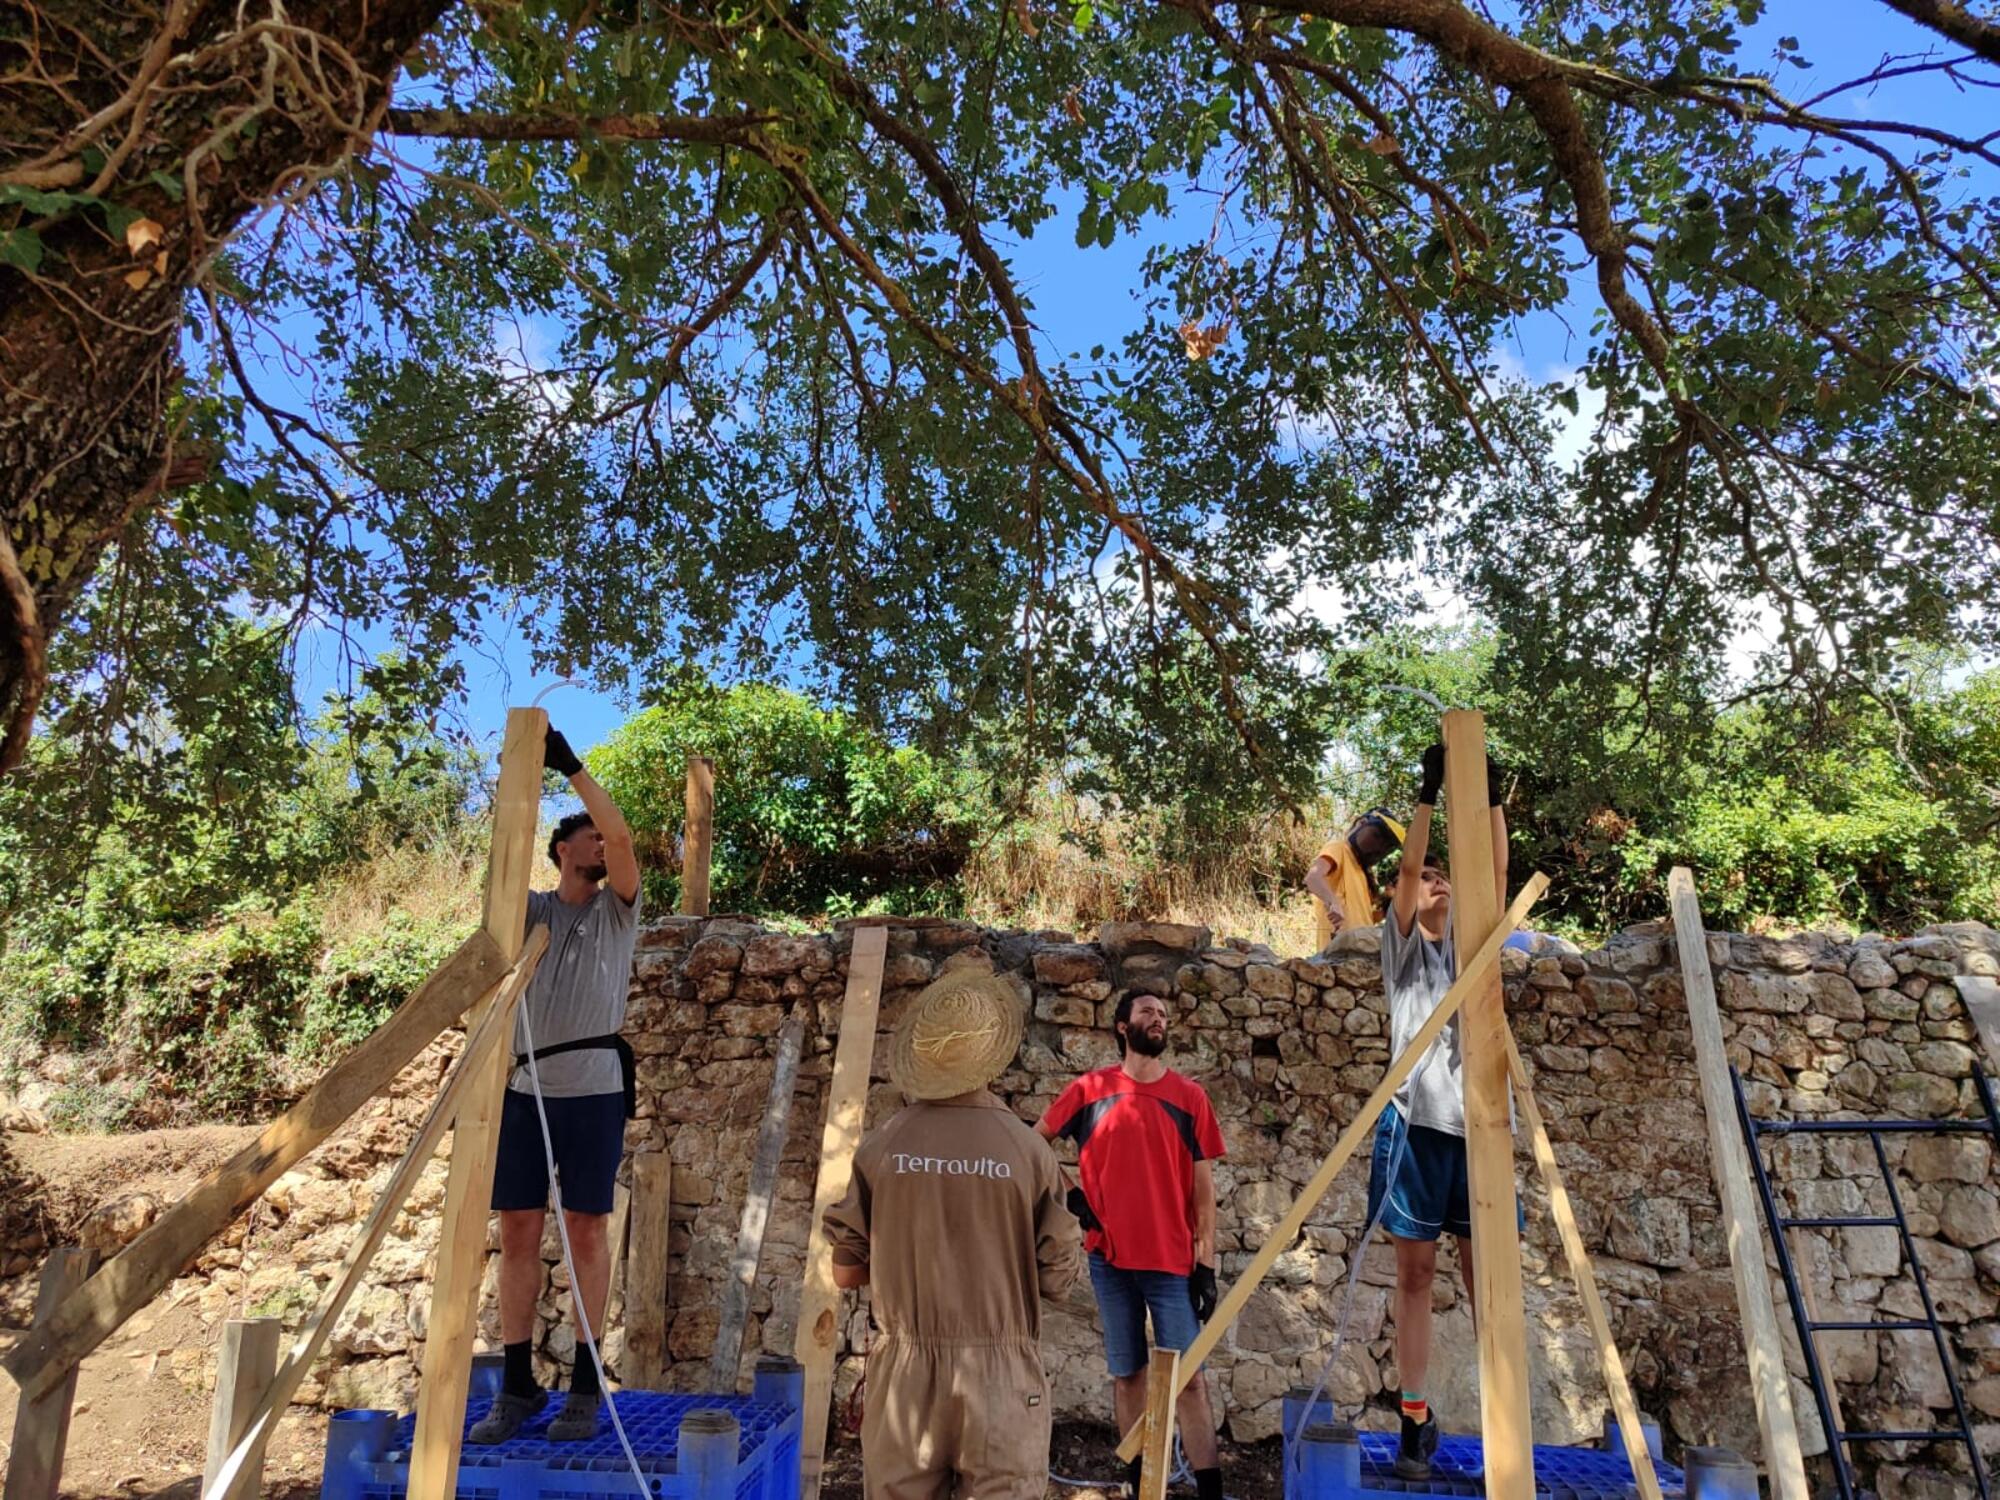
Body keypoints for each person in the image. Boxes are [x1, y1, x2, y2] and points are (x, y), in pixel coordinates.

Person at [823, 971, 1082, 1500]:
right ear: (992, 1054)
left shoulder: (882, 1146)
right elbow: (1058, 1280)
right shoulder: (1028, 1151)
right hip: (1001, 1377)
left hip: (904, 1380)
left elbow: (845, 1272)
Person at [470, 723, 642, 1445]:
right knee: (517, 1230)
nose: (602, 845)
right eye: (588, 839)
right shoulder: (533, 910)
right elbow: (498, 879)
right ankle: (516, 1385)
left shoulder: (618, 909)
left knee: (586, 1231)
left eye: (603, 839)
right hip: (525, 1090)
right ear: (562, 851)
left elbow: (625, 840)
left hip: (595, 1089)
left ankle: (583, 1380)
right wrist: (522, 780)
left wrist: (568, 765)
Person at [1368, 743, 1507, 1480]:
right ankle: (1415, 1420)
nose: (1438, 884)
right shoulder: (1402, 956)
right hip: (1415, 1130)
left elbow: (1500, 874)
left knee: (1492, 1282)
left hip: (1480, 1129)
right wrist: (1427, 795)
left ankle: (1503, 1427)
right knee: (1416, 1276)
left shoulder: (1477, 946)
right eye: (1427, 880)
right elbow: (1404, 871)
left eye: (1447, 877)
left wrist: (1491, 797)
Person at [1036, 984, 1227, 1500]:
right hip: (1110, 1262)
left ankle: (1210, 1488)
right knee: (1127, 1374)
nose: (1159, 1018)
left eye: (1164, 1013)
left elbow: (1203, 1194)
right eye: (1148, 1011)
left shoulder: (1190, 1098)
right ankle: (1138, 1480)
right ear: (1122, 1026)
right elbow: (1031, 1147)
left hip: (1172, 1265)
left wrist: (1205, 1264)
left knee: (1190, 1379)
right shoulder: (1089, 1091)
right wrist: (1072, 1196)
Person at [1305, 808, 1405, 947]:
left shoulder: (1364, 873)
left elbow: (1367, 918)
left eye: (1386, 845)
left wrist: (1389, 906)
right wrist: (1333, 902)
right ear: (1361, 823)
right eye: (1376, 836)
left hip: (1362, 951)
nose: (1378, 847)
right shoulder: (1339, 848)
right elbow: (1313, 878)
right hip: (1337, 953)